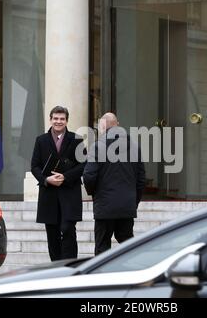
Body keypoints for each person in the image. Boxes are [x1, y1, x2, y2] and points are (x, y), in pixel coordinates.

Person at [83, 113, 146, 255]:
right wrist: (133, 201)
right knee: (128, 246)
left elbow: (89, 176)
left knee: (102, 247)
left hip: (104, 206)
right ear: (117, 124)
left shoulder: (97, 146)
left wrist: (94, 194)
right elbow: (141, 179)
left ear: (102, 126)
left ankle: (102, 276)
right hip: (126, 206)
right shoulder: (135, 147)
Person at [31, 106, 85, 261]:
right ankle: (56, 267)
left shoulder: (77, 139)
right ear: (50, 119)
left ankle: (70, 265)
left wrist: (65, 176)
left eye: (62, 119)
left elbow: (83, 165)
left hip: (69, 192)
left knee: (68, 229)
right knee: (52, 232)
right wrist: (45, 179)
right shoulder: (40, 140)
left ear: (67, 120)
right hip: (49, 193)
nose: (58, 121)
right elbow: (34, 166)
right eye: (55, 118)